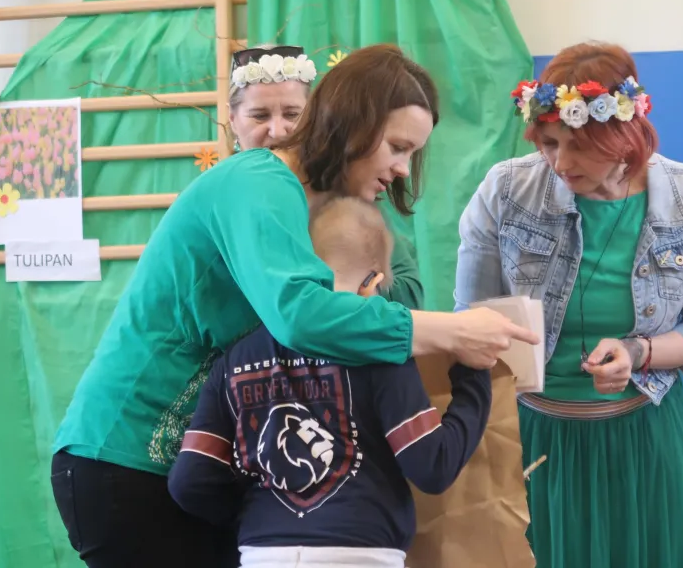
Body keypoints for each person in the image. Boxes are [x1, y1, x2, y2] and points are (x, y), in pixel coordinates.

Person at [50, 43, 538, 568]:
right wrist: (453, 332)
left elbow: (382, 291)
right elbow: (300, 314)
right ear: (355, 123)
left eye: (411, 154)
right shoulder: (256, 181)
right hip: (127, 464)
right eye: (397, 147)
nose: (402, 168)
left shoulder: (313, 200)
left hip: (188, 476)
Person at [453, 41, 683, 568]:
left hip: (642, 439)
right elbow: (471, 323)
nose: (561, 163)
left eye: (579, 146)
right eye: (548, 144)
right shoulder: (507, 191)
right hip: (530, 438)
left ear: (625, 135)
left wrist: (638, 352)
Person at [167, 196, 491, 568]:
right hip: (361, 553)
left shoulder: (234, 360)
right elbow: (432, 465)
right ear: (373, 283)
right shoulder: (380, 350)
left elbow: (189, 480)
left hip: (262, 554)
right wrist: (474, 377)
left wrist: (259, 511)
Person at [230, 43, 424, 308]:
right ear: (233, 119)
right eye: (260, 116)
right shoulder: (228, 196)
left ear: (314, 116)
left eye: (292, 114)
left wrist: (352, 283)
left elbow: (410, 291)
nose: (278, 130)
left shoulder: (348, 194)